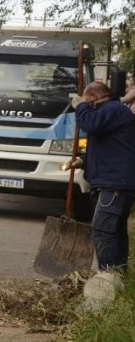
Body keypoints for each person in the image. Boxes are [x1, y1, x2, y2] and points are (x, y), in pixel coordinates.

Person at [69, 81, 135, 278]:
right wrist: (83, 161)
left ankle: (107, 276)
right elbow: (110, 147)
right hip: (115, 180)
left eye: (87, 100)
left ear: (94, 97)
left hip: (115, 182)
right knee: (114, 231)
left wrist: (80, 106)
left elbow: (91, 124)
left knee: (103, 229)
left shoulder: (113, 109)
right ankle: (117, 275)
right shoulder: (113, 112)